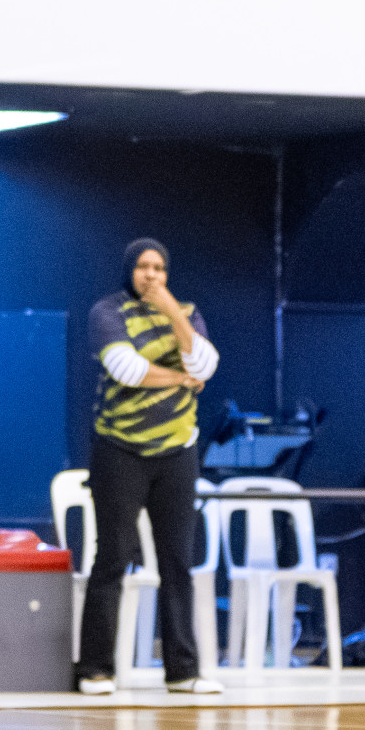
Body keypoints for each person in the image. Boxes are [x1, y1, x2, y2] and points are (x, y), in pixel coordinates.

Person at [78, 238, 221, 695]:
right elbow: (126, 368)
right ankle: (96, 669)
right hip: (119, 449)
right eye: (143, 267)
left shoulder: (187, 311)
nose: (151, 275)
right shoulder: (108, 311)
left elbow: (205, 361)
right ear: (129, 270)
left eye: (159, 268)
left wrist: (174, 313)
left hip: (178, 449)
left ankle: (182, 670)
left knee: (177, 559)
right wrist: (182, 378)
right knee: (113, 556)